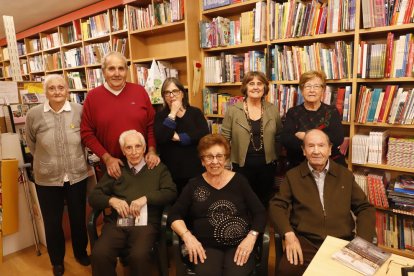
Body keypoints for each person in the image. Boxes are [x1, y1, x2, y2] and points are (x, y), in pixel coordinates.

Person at [269, 129, 376, 276]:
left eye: (321, 145)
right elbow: (276, 206)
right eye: (310, 146)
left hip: (340, 241)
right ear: (304, 151)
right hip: (305, 242)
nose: (316, 151)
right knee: (286, 271)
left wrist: (361, 244)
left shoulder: (345, 175)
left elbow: (365, 208)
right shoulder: (293, 176)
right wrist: (289, 234)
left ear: (330, 149)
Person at [168, 134, 266, 276]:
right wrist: (187, 237)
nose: (215, 161)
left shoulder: (240, 181)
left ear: (226, 159)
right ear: (202, 161)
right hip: (204, 246)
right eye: (209, 157)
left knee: (236, 273)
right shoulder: (194, 185)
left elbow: (260, 212)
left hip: (239, 244)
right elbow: (174, 214)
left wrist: (251, 237)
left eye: (219, 156)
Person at [25, 74, 90, 276]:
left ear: (68, 90)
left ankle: (80, 252)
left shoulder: (79, 110)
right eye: (52, 88)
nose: (57, 92)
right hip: (47, 178)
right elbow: (31, 143)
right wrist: (48, 163)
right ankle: (57, 261)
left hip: (77, 175)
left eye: (61, 87)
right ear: (45, 92)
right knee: (52, 223)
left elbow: (86, 138)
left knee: (78, 218)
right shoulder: (33, 114)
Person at [89, 130, 176, 276]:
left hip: (146, 223)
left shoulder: (157, 168)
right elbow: (93, 197)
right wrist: (111, 200)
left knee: (138, 256)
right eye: (129, 147)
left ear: (144, 148)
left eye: (138, 146)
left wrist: (146, 198)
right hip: (118, 223)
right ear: (123, 150)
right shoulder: (117, 170)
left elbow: (171, 192)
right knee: (99, 253)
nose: (134, 152)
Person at [81, 51, 160, 179]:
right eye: (111, 69)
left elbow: (151, 125)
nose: (117, 73)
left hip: (143, 164)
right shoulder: (92, 97)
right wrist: (107, 158)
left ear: (126, 71)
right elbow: (86, 133)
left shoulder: (140, 91)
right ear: (103, 72)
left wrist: (151, 150)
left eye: (121, 68)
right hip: (111, 168)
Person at [221, 71, 283, 206]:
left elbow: (279, 135)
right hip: (241, 165)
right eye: (251, 83)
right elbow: (224, 138)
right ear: (245, 87)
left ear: (265, 88)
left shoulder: (272, 109)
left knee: (264, 200)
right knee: (242, 200)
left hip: (267, 165)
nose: (256, 87)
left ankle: (261, 226)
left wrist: (275, 156)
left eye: (259, 84)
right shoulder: (233, 110)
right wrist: (225, 163)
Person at [154, 77, 210, 194]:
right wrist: (172, 113)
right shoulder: (160, 116)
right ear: (164, 96)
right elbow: (162, 138)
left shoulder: (195, 112)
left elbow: (203, 134)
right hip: (171, 171)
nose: (171, 95)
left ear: (182, 94)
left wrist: (180, 137)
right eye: (167, 92)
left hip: (195, 169)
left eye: (175, 91)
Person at [281, 70, 345, 170]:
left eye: (316, 86)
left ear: (323, 90)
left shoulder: (332, 111)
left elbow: (337, 138)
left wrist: (305, 136)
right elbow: (287, 140)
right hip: (299, 164)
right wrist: (322, 142)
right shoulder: (293, 112)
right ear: (302, 90)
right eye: (307, 86)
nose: (312, 90)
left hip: (329, 164)